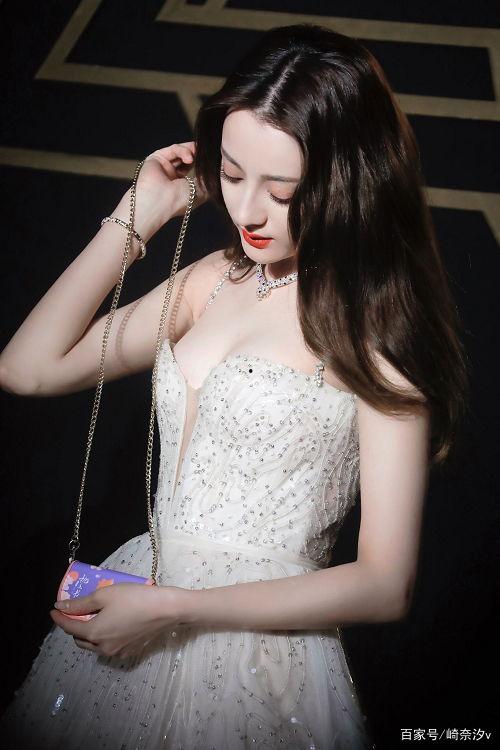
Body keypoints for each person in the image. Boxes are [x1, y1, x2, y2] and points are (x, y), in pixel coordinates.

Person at [0, 23, 468, 750]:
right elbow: (27, 368)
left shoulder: (377, 337)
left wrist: (174, 610)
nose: (247, 210)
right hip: (131, 610)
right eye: (231, 172)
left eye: (281, 191)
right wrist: (141, 215)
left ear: (346, 182)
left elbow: (385, 584)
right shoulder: (213, 281)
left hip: (253, 655)